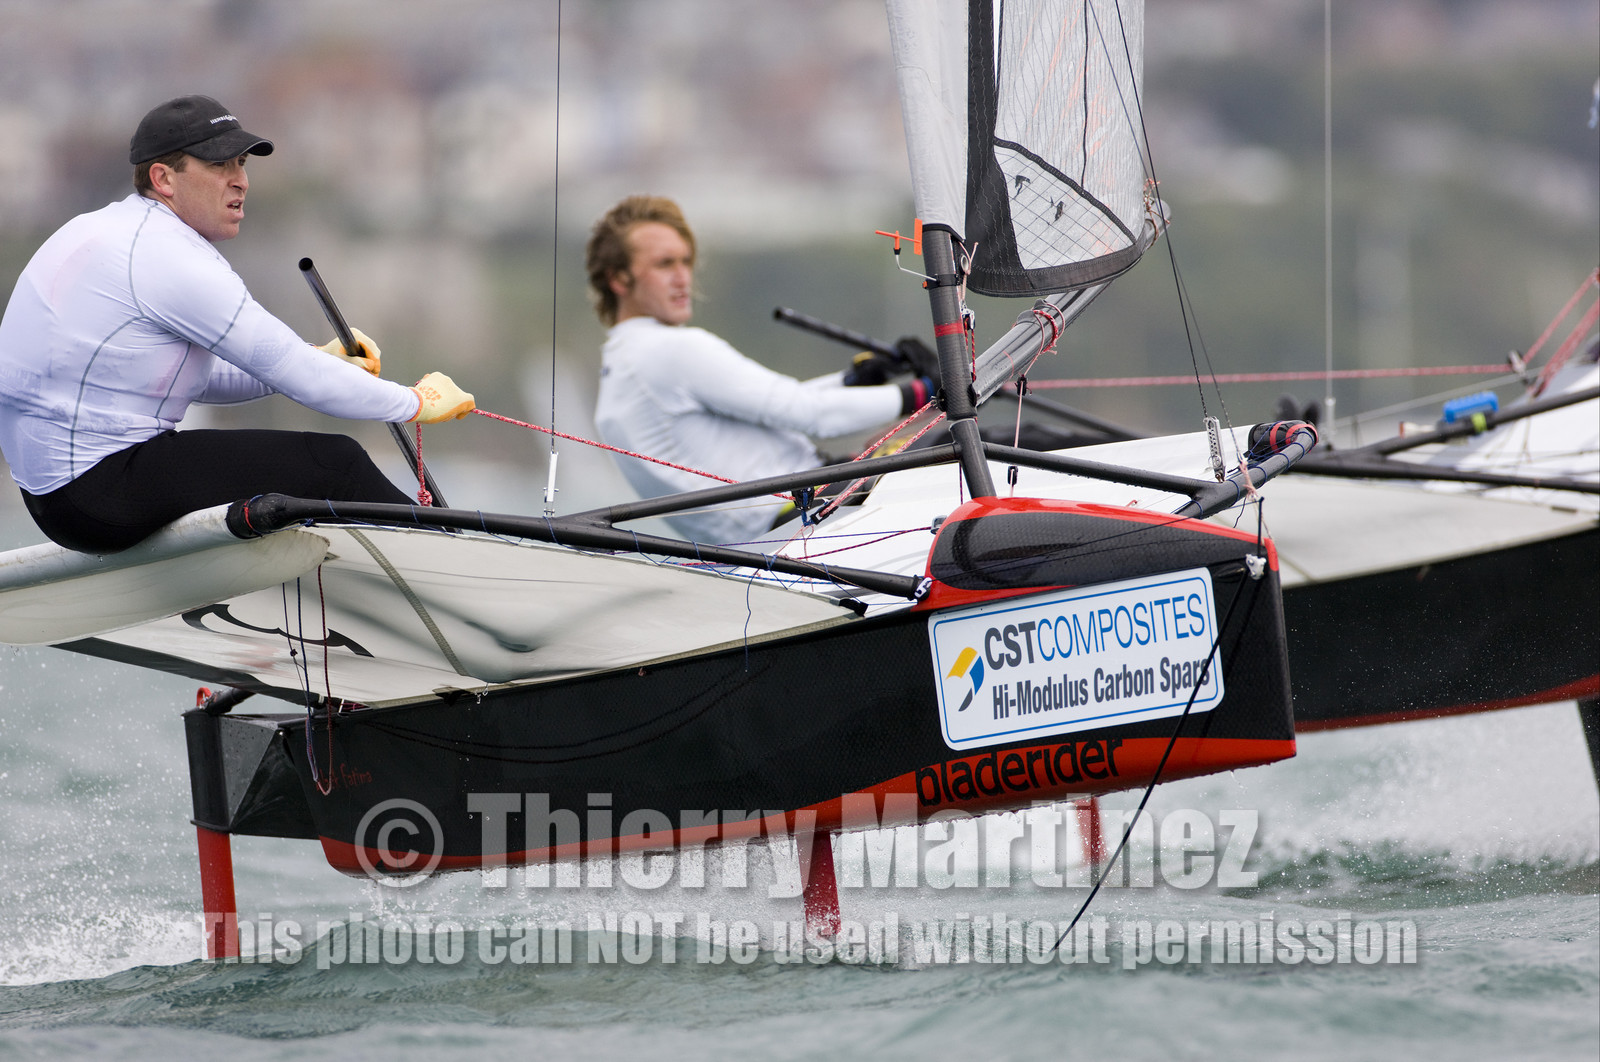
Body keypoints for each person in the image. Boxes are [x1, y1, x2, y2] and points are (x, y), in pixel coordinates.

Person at [0, 95, 476, 555]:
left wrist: (320, 357)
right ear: (164, 178)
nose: (241, 181)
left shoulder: (109, 229)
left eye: (243, 164)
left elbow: (199, 378)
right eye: (219, 166)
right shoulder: (169, 257)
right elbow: (303, 381)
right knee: (334, 462)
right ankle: (467, 577)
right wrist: (416, 402)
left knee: (312, 465)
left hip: (52, 498)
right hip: (95, 493)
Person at [587, 195, 933, 544]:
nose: (682, 278)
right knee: (974, 442)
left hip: (772, 540)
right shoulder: (670, 350)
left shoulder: (618, 381)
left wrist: (851, 381)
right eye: (664, 264)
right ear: (619, 279)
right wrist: (926, 391)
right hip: (809, 513)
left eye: (686, 261)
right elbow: (811, 415)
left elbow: (765, 411)